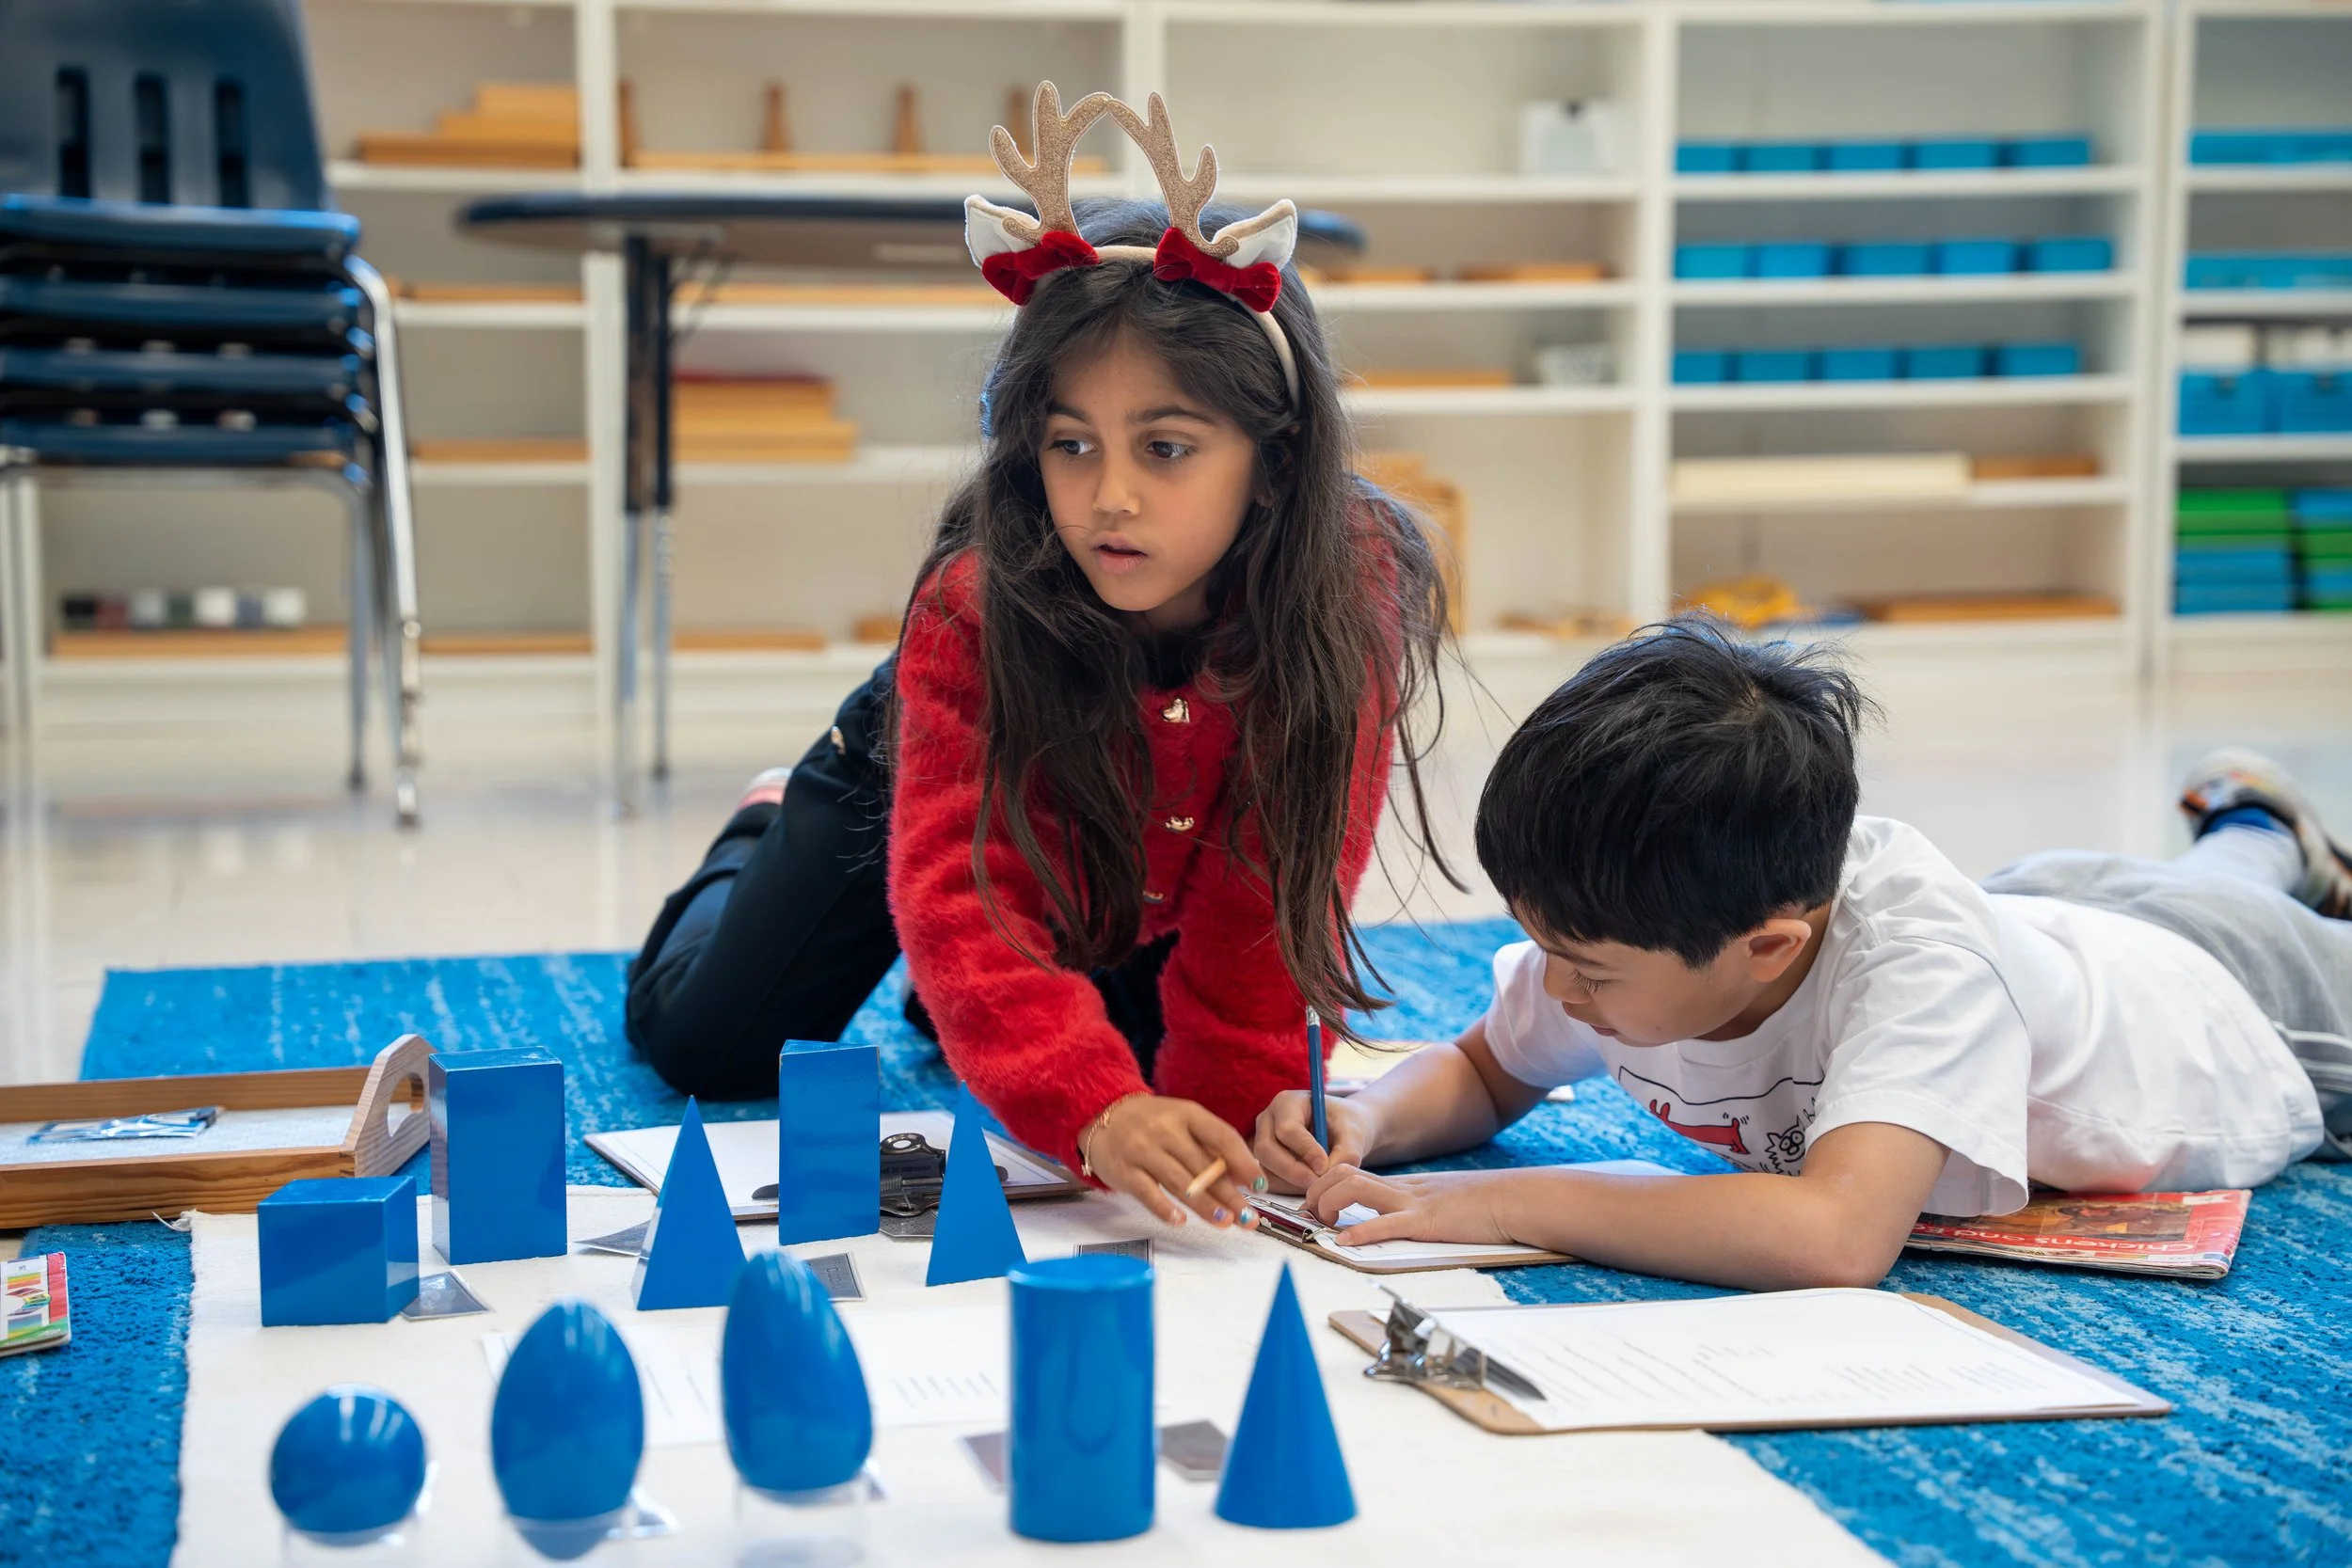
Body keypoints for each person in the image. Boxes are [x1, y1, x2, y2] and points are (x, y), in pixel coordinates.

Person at [626, 87, 1454, 1235]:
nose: (1108, 494)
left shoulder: (1349, 587)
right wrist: (1091, 1104)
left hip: (1117, 848)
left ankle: (953, 999)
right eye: (1071, 444)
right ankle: (764, 823)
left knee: (1149, 1062)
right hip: (912, 782)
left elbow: (1275, 888)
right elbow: (962, 891)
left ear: (1274, 458)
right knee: (707, 1046)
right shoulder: (974, 602)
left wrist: (1207, 1123)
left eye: (1165, 448)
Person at [1254, 618, 2351, 1291]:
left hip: (2226, 993)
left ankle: (2255, 836)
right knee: (2194, 877)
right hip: (2043, 912)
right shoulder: (1626, 940)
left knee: (2219, 898)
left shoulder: (1922, 974)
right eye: (1542, 945)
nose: (1554, 986)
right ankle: (2255, 829)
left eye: (1583, 965)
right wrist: (1376, 1116)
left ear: (1766, 944)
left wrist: (1503, 1203)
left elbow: (1836, 1234)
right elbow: (1490, 1067)